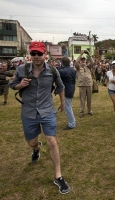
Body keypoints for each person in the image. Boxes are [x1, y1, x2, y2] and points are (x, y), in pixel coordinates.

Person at [9, 42, 70, 194]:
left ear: (45, 55)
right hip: (29, 112)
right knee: (31, 142)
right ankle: (36, 148)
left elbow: (61, 87)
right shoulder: (22, 70)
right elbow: (12, 85)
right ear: (30, 55)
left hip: (47, 111)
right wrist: (20, 85)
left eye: (39, 53)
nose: (36, 56)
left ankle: (58, 176)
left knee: (52, 141)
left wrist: (62, 103)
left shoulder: (53, 71)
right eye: (33, 53)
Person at [75, 50, 94, 118]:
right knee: (82, 99)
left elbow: (93, 62)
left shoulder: (88, 67)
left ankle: (89, 110)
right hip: (82, 85)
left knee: (89, 99)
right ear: (80, 61)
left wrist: (89, 54)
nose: (83, 61)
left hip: (89, 84)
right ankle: (81, 111)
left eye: (84, 60)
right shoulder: (78, 67)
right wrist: (80, 55)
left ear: (86, 61)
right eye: (82, 60)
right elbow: (76, 62)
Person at [59, 56, 76, 130]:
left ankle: (72, 123)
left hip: (66, 89)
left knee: (68, 107)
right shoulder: (73, 70)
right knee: (68, 106)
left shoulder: (62, 71)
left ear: (62, 63)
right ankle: (72, 121)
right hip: (72, 88)